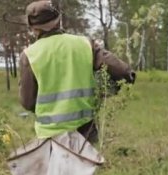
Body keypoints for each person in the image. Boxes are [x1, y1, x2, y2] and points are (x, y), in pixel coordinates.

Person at [19, 1, 136, 142]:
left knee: (57, 165)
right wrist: (107, 92)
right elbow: (125, 73)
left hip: (50, 136)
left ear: (33, 28)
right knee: (87, 164)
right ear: (58, 20)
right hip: (86, 131)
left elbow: (27, 102)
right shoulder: (85, 44)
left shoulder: (29, 55)